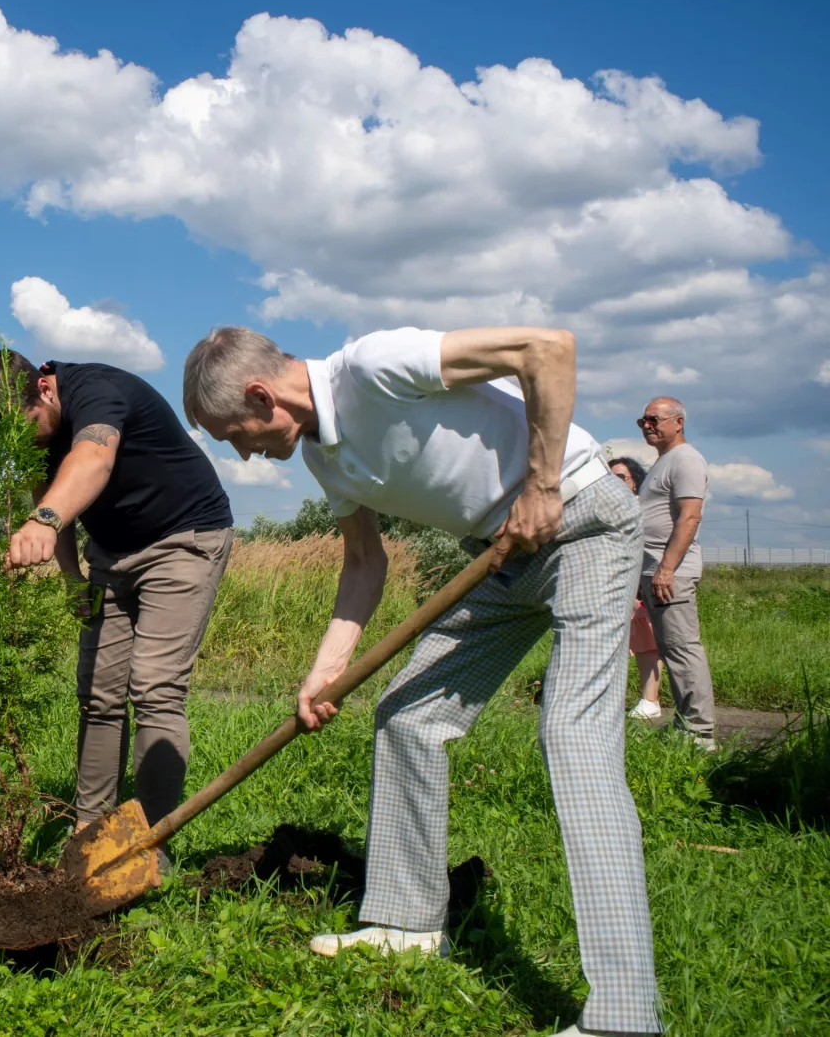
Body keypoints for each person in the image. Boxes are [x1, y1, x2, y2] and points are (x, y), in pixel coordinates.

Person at [183, 325, 658, 1037]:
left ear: (260, 395)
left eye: (235, 436)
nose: (242, 453)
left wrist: (542, 484)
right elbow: (364, 563)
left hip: (583, 523)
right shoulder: (322, 457)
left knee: (574, 739)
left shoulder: (373, 366)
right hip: (501, 558)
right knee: (407, 715)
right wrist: (326, 670)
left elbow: (548, 350)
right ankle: (407, 923)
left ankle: (625, 1016)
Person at [0, 351, 234, 838]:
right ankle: (89, 832)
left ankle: (150, 841)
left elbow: (94, 459)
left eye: (25, 426)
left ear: (44, 389)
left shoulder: (97, 393)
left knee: (155, 690)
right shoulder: (34, 432)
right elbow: (47, 493)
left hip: (183, 539)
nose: (23, 441)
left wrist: (43, 522)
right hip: (110, 553)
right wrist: (72, 577)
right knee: (98, 694)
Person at [636, 396, 716, 751]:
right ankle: (687, 723)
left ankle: (700, 733)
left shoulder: (685, 460)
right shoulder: (664, 462)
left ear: (679, 422)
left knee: (682, 649)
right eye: (643, 421)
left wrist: (666, 569)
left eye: (654, 419)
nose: (647, 426)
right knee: (671, 649)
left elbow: (690, 516)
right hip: (655, 570)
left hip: (671, 573)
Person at [609, 457, 663, 722]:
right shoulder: (606, 508)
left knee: (645, 643)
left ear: (635, 482)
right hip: (609, 584)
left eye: (621, 477)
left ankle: (650, 700)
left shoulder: (640, 508)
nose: (614, 482)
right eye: (610, 476)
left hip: (636, 583)